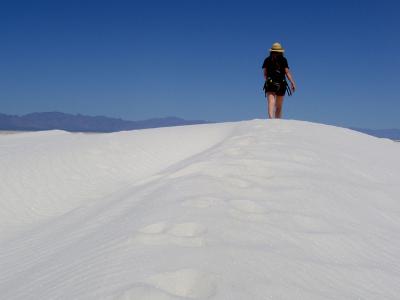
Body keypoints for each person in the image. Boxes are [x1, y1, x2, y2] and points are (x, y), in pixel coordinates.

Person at [262, 42, 296, 119]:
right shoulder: (284, 60)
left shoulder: (267, 60)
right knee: (279, 106)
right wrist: (292, 83)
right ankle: (278, 122)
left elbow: (265, 74)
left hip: (270, 82)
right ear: (281, 51)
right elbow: (287, 72)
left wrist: (267, 80)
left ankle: (271, 119)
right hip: (282, 83)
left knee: (271, 102)